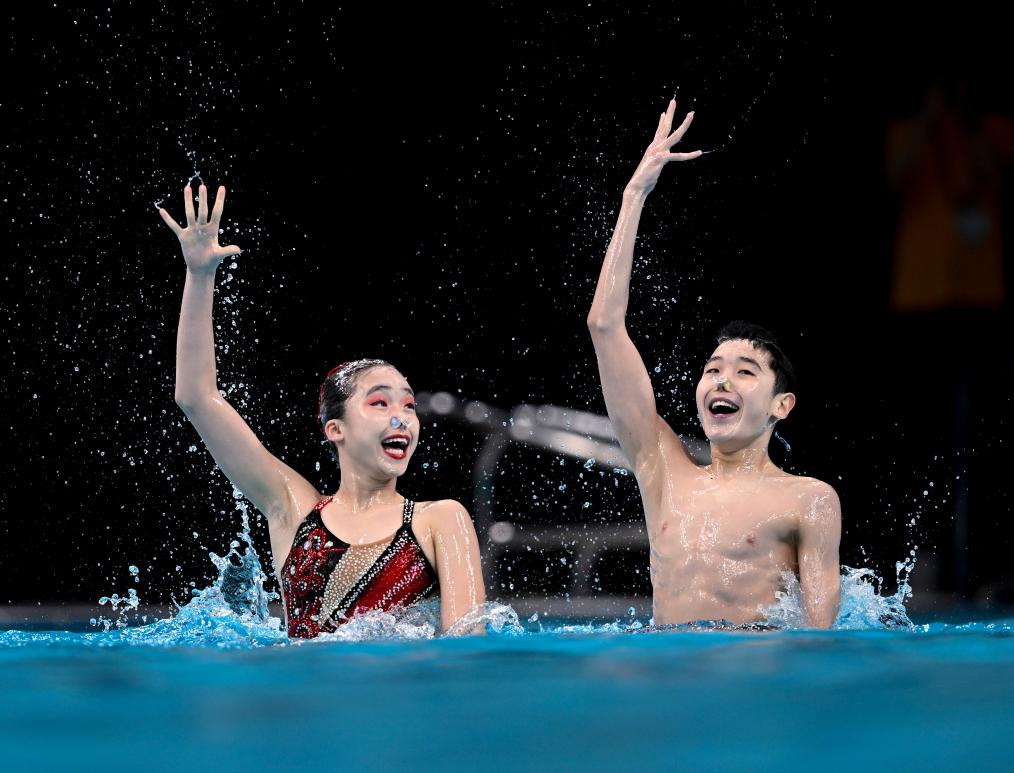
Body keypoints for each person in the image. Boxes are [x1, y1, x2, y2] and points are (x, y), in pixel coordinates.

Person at [160, 183, 485, 638]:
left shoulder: (439, 520)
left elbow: (467, 645)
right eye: (380, 403)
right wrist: (199, 275)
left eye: (409, 405)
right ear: (336, 429)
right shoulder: (293, 510)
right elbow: (196, 397)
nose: (401, 417)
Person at [586, 100, 841, 628]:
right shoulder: (663, 472)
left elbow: (820, 638)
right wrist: (634, 195)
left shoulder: (808, 499)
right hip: (668, 670)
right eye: (712, 369)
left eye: (746, 371)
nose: (723, 379)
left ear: (782, 405)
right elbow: (604, 326)